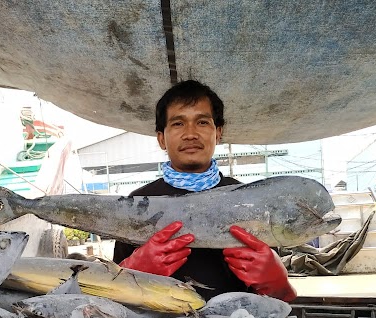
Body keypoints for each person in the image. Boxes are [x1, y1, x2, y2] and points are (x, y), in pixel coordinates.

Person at [112, 80, 297, 302]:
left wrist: (276, 281)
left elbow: (282, 300)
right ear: (161, 138)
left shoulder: (250, 199)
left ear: (218, 133)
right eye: (178, 124)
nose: (191, 134)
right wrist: (132, 273)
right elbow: (112, 295)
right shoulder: (139, 202)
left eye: (202, 122)